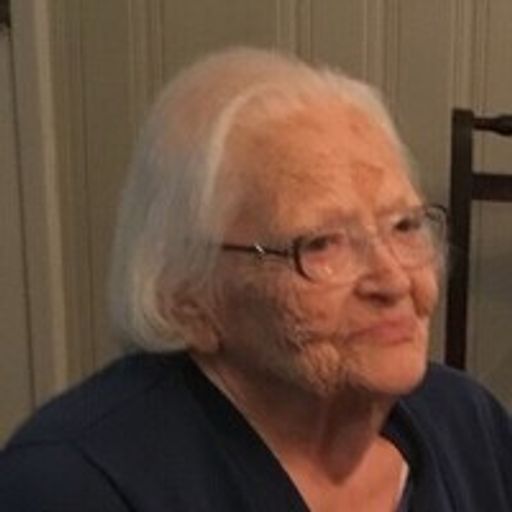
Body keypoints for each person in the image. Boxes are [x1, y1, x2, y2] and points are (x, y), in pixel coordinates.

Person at [0, 47, 510, 512]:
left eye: (404, 226)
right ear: (187, 297)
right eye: (321, 243)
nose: (394, 281)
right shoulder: (74, 482)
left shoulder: (465, 420)